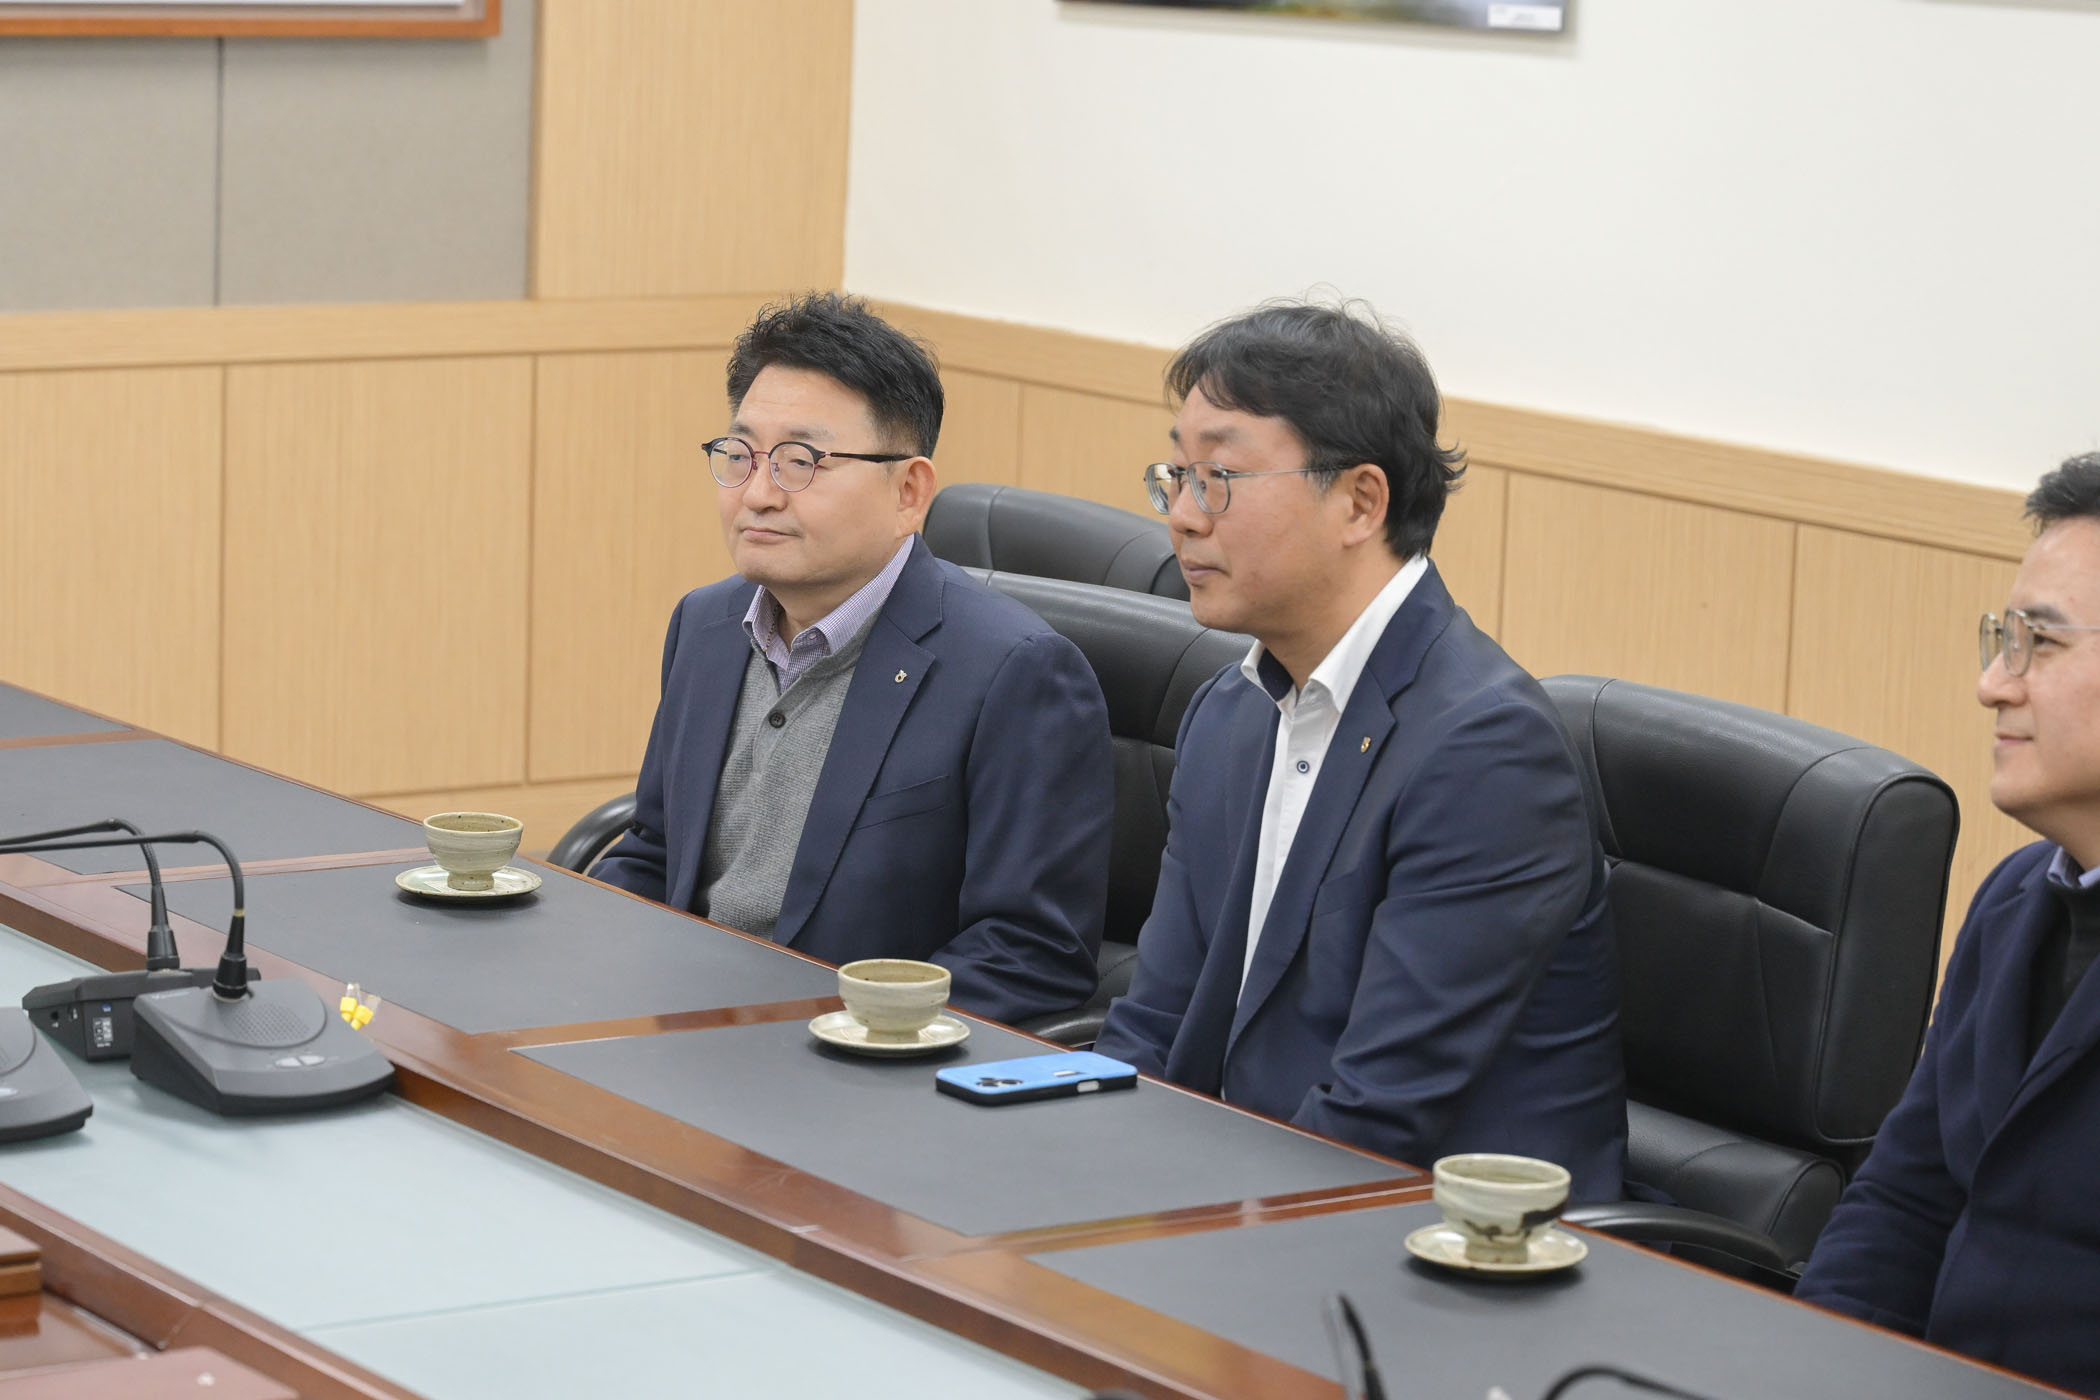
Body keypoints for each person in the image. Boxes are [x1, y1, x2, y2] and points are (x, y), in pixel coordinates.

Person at [1092, 300, 1626, 1200]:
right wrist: (1072, 1164)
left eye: (1219, 477)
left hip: (1438, 1238)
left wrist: (1174, 1219)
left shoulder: (1485, 752)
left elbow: (1378, 1114)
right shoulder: (1231, 713)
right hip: (1243, 1194)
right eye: (1176, 475)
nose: (1181, 515)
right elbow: (1155, 1022)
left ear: (1359, 501)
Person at [593, 292, 1111, 1025]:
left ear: (909, 492)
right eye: (740, 456)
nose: (758, 494)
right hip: (683, 1026)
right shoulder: (705, 624)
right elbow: (653, 852)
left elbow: (1029, 954)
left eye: (801, 462)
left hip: (854, 1053)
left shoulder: (1017, 673)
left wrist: (844, 1032)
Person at [1796, 454, 2100, 1395]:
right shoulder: (2014, 899)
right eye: (2002, 640)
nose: (1994, 685)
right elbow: (1903, 1202)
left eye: (2041, 645)